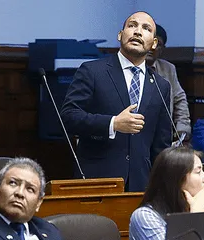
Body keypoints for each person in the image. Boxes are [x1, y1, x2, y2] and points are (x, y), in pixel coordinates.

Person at [60, 11, 172, 192]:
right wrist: (113, 123)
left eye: (146, 28)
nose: (137, 32)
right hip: (98, 179)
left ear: (154, 43)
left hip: (142, 184)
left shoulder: (161, 85)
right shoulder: (93, 71)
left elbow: (161, 144)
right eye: (132, 25)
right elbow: (69, 117)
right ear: (120, 35)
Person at [145, 24, 191, 141]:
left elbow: (179, 99)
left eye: (157, 44)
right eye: (149, 41)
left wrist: (182, 127)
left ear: (162, 49)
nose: (152, 47)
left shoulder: (168, 69)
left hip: (162, 134)